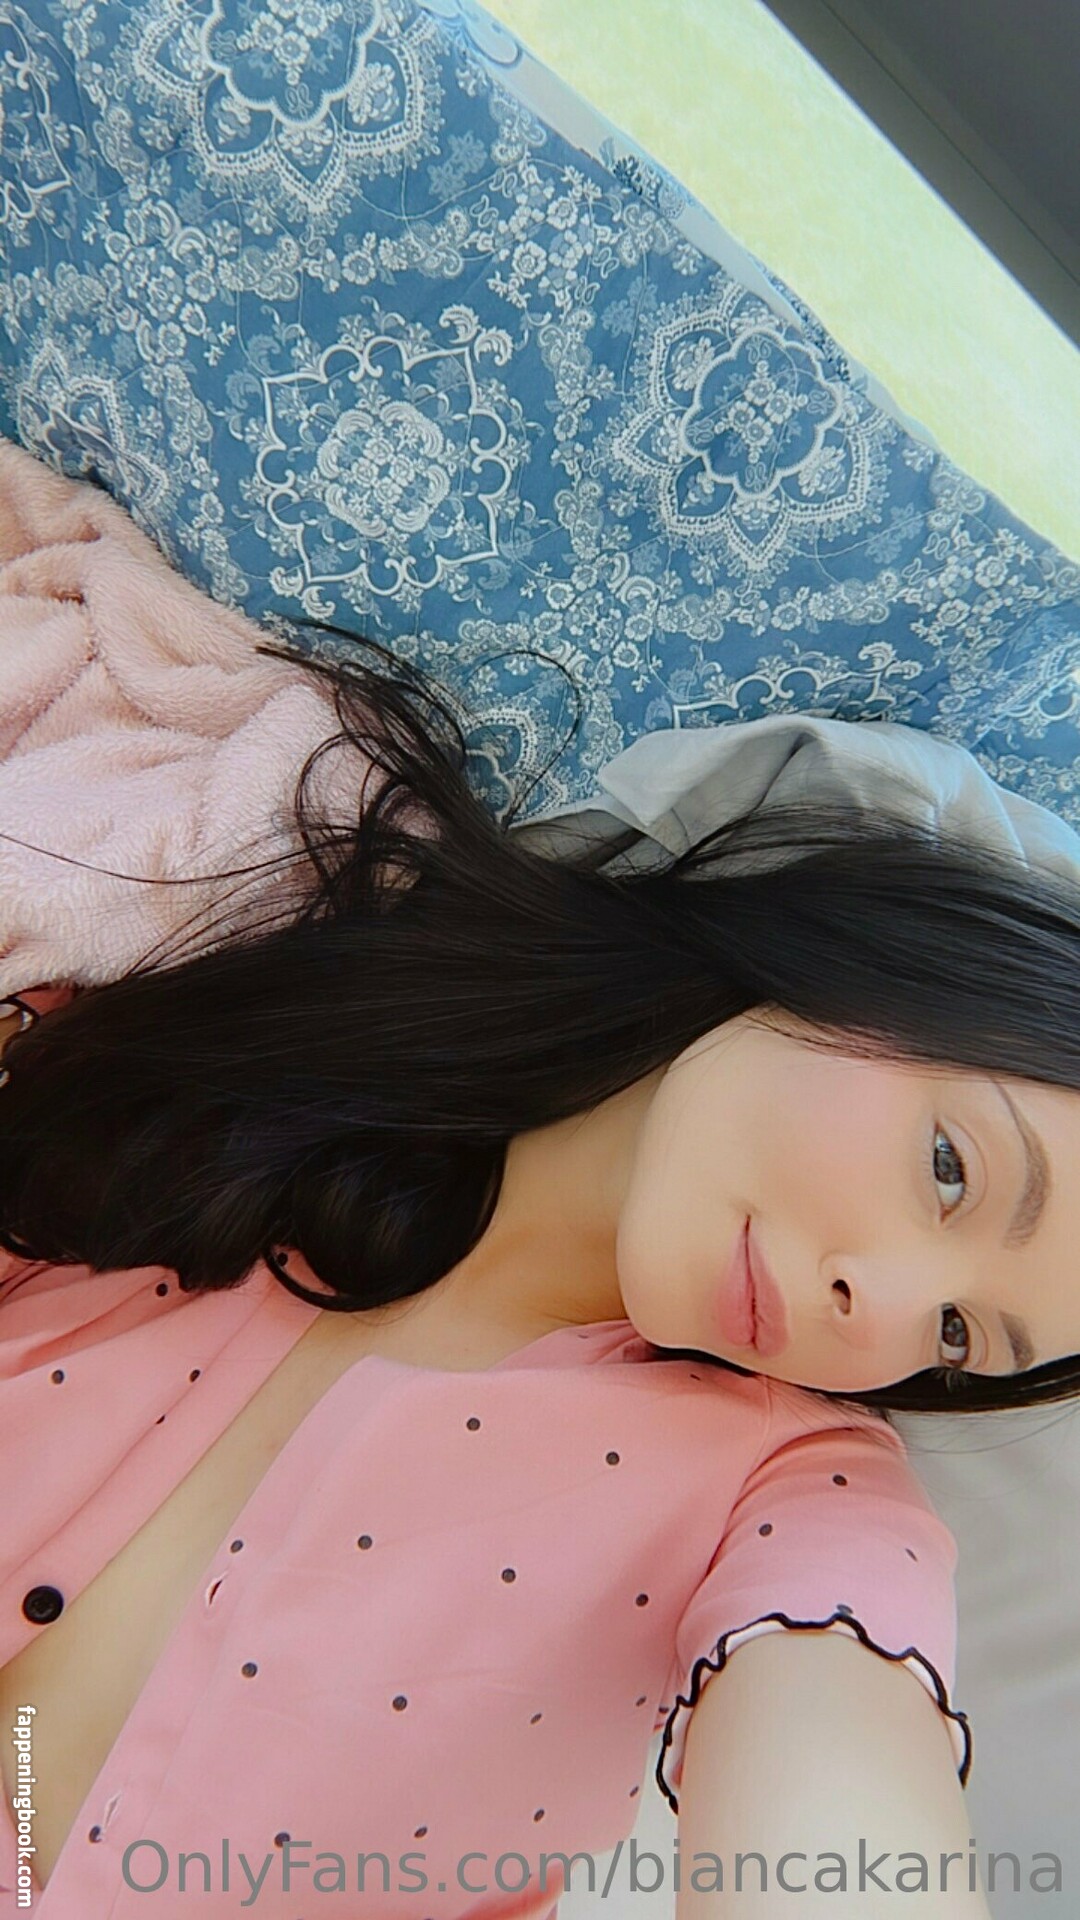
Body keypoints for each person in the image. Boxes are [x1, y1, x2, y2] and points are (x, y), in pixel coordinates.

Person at [1, 471, 1079, 1917]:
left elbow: (844, 1758)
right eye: (952, 1172)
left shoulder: (790, 1493)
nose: (873, 1303)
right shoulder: (255, 961)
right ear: (872, 968)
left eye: (958, 1336)